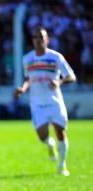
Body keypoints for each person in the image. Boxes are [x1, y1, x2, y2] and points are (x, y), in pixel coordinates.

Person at [14, 27, 76, 176]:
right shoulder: (27, 59)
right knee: (42, 136)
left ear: (47, 40)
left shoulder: (56, 57)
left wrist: (59, 82)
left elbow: (71, 76)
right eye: (35, 37)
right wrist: (23, 88)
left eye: (41, 37)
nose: (38, 40)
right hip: (37, 104)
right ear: (32, 40)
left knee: (60, 132)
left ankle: (62, 166)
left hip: (55, 102)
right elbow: (28, 78)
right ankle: (50, 144)